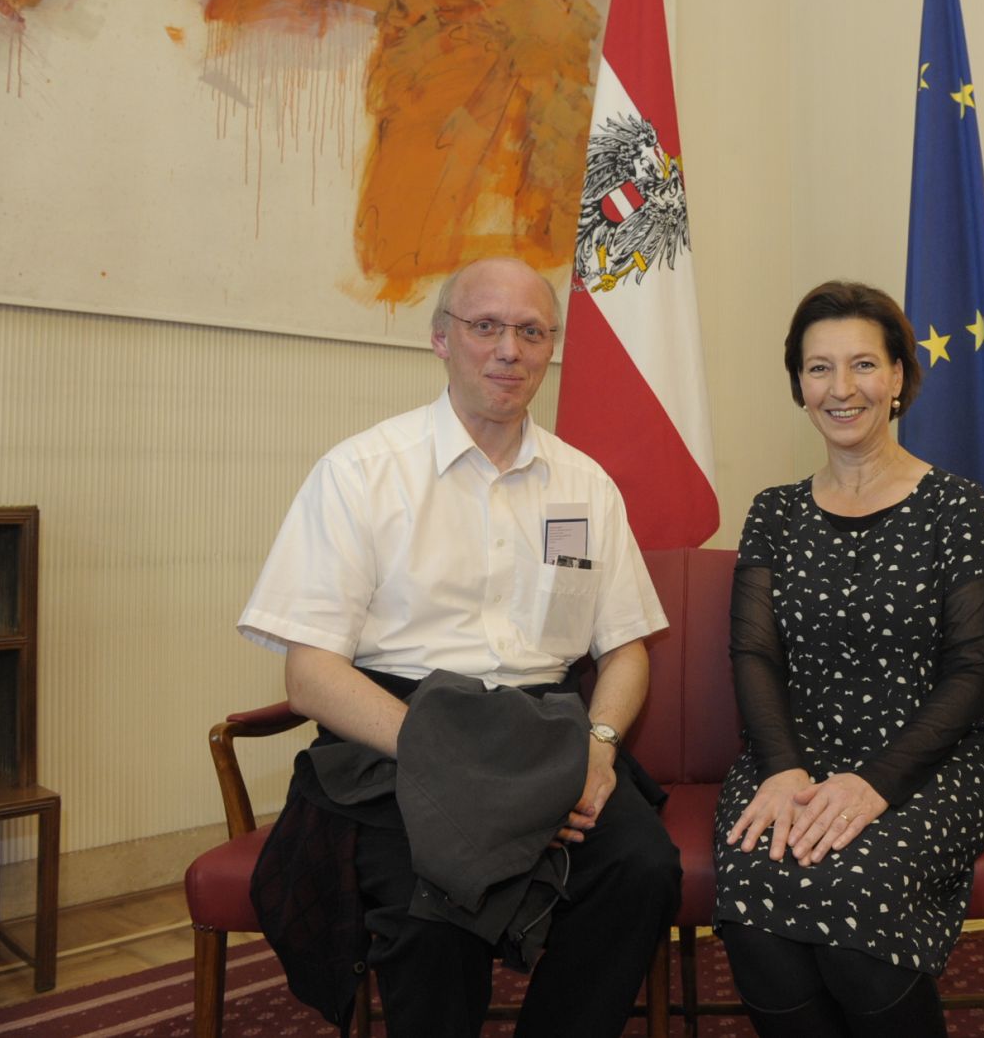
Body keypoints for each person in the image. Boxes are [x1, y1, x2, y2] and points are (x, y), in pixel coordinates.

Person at [237, 256, 680, 1038]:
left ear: (551, 348)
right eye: (485, 326)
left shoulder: (586, 486)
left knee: (640, 867)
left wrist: (601, 745)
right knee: (432, 911)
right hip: (400, 735)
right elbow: (310, 674)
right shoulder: (360, 473)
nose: (509, 348)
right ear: (441, 338)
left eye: (531, 331)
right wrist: (455, 761)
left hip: (544, 734)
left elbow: (625, 649)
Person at [712, 281, 984, 1037]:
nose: (841, 388)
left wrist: (876, 783)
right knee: (753, 907)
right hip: (792, 755)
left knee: (857, 910)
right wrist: (783, 768)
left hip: (929, 761)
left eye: (863, 364)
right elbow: (754, 653)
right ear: (799, 384)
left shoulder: (958, 506)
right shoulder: (773, 511)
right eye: (819, 368)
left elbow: (972, 672)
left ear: (899, 376)